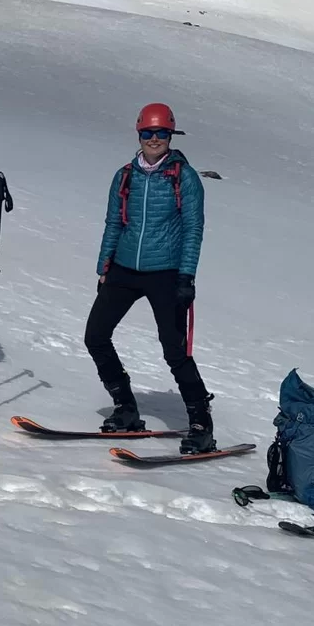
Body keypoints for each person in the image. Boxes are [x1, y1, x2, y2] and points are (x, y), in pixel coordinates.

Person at [85, 103, 214, 453]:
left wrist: (186, 276)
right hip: (124, 268)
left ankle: (201, 422)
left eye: (161, 133)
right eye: (148, 133)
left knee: (175, 350)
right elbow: (114, 223)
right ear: (138, 134)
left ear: (170, 136)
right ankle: (125, 407)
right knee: (95, 336)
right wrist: (104, 267)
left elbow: (193, 229)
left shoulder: (184, 177)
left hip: (166, 272)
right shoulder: (125, 176)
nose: (154, 139)